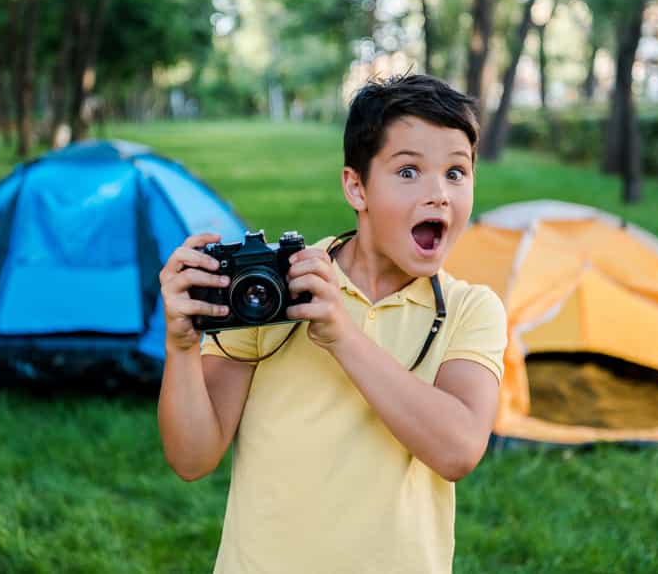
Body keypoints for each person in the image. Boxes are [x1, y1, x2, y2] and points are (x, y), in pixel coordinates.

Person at [157, 74, 508, 574]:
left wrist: (343, 336)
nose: (439, 195)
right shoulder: (274, 287)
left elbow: (458, 451)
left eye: (457, 173)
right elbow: (191, 459)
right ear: (356, 187)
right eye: (409, 171)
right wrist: (182, 348)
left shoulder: (472, 309)